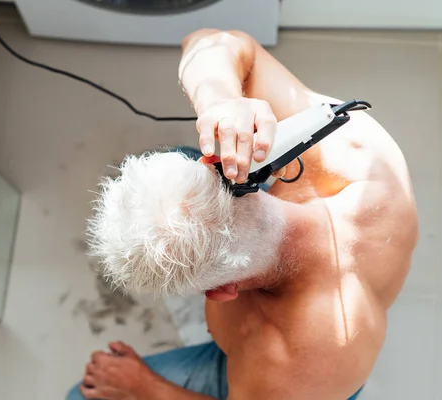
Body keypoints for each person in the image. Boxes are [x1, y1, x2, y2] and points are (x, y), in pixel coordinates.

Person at [68, 29, 418, 400]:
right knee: (179, 158)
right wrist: (219, 101)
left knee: (80, 397)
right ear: (226, 170)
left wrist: (145, 387)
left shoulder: (286, 363)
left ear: (221, 293)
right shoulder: (348, 151)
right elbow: (207, 40)